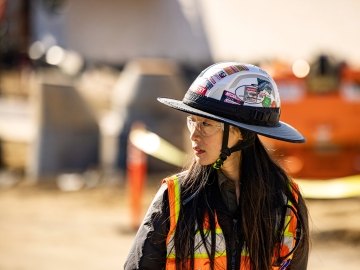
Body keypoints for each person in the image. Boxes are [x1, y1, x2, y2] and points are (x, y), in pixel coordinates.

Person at [124, 62, 309, 270]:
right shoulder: (174, 197)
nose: (194, 134)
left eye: (206, 124)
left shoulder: (286, 201)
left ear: (241, 132)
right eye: (192, 121)